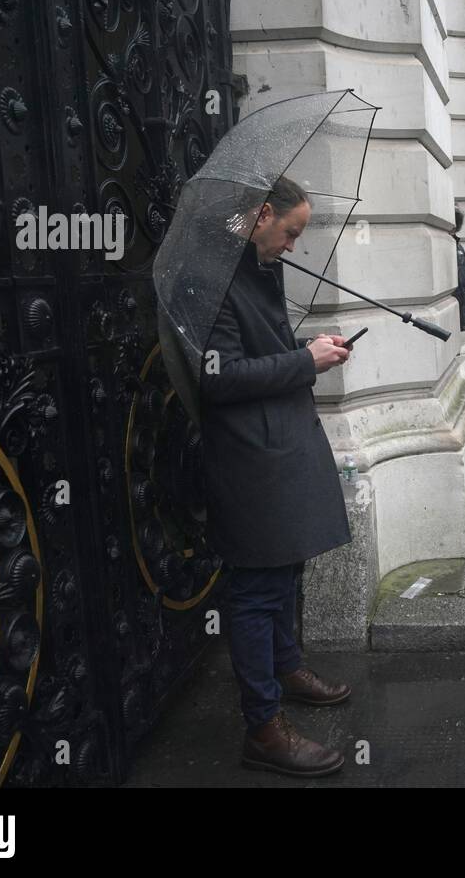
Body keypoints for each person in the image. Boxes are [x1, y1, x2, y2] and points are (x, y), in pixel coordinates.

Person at [199, 176, 355, 778]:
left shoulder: (257, 269)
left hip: (278, 445)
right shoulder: (214, 279)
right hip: (250, 458)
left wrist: (308, 346)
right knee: (258, 588)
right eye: (291, 231)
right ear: (262, 215)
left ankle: (287, 669)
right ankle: (263, 728)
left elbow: (260, 349)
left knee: (287, 571)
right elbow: (219, 377)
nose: (293, 244)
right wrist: (303, 361)